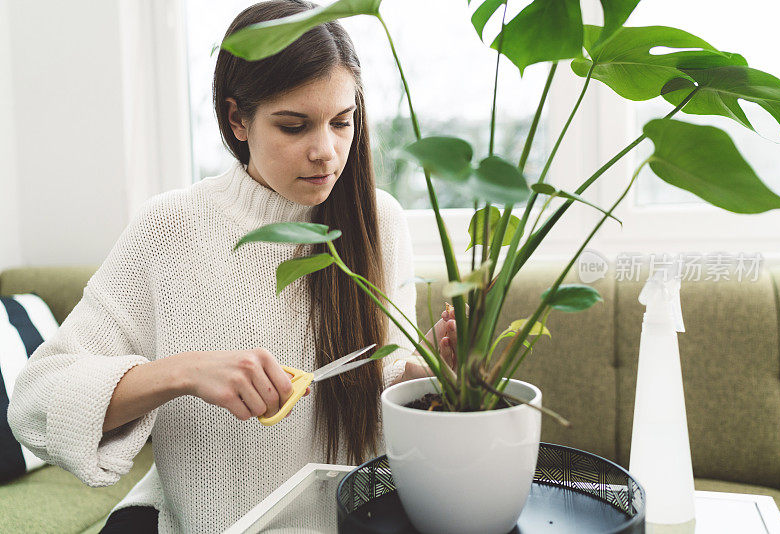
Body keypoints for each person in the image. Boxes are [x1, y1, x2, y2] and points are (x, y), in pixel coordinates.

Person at [7, 1, 459, 532]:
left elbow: (373, 384)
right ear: (236, 119)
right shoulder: (169, 228)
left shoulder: (378, 221)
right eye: (294, 126)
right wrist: (183, 373)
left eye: (342, 122)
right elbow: (36, 403)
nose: (327, 152)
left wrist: (415, 377)